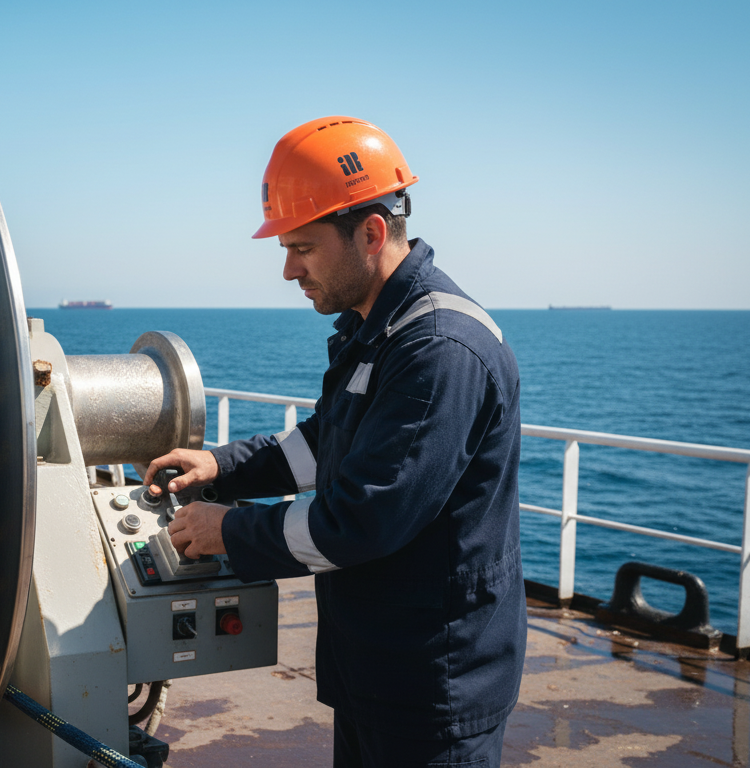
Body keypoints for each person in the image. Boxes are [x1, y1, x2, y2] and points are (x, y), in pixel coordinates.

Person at [145, 117, 525, 767]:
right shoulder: (378, 328)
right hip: (381, 666)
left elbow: (365, 519)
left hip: (434, 682)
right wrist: (220, 467)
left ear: (371, 233)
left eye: (303, 247)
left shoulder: (438, 348)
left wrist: (227, 532)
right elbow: (326, 446)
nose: (289, 269)